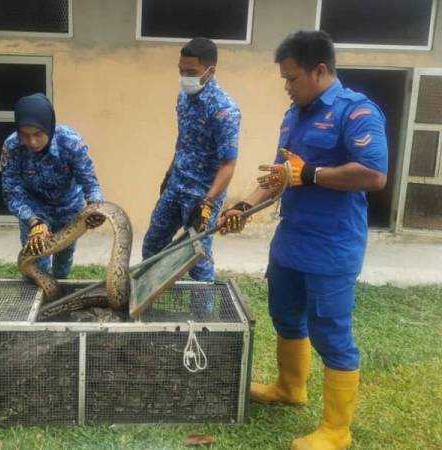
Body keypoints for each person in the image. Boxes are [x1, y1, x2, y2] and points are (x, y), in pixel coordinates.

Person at [219, 30, 387, 450]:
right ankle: (290, 388)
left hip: (332, 247)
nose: (287, 87)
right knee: (286, 316)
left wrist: (311, 174)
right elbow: (280, 177)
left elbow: (374, 175)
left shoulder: (357, 112)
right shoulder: (293, 116)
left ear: (320, 71)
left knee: (331, 333)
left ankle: (337, 431)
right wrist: (243, 206)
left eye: (292, 78)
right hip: (291, 241)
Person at [142, 37, 241, 314]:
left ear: (211, 71)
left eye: (191, 73)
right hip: (176, 186)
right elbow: (183, 140)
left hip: (202, 196)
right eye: (181, 70)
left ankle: (204, 324)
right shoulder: (183, 98)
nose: (184, 77)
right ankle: (154, 307)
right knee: (153, 245)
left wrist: (208, 202)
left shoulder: (224, 110)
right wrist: (169, 173)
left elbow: (228, 164)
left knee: (198, 258)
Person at [1, 93, 105, 279]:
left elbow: (90, 182)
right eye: (25, 135)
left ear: (49, 127)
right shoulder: (12, 146)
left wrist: (95, 206)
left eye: (38, 134)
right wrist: (34, 221)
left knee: (63, 261)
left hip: (69, 208)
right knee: (35, 264)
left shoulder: (71, 142)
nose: (32, 142)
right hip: (34, 210)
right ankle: (39, 302)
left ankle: (59, 295)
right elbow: (12, 192)